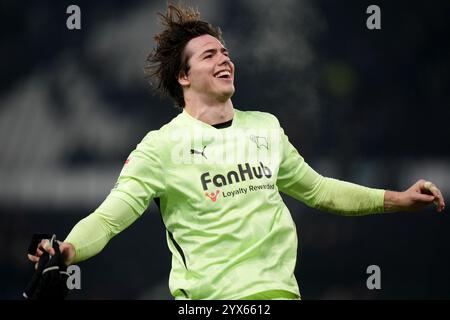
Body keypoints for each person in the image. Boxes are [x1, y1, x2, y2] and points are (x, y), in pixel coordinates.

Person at [28, 4, 445, 300]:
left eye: (225, 52)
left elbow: (320, 191)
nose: (224, 59)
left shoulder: (265, 126)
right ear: (183, 76)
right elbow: (109, 217)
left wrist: (398, 199)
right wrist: (67, 250)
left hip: (278, 294)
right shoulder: (161, 147)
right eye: (209, 55)